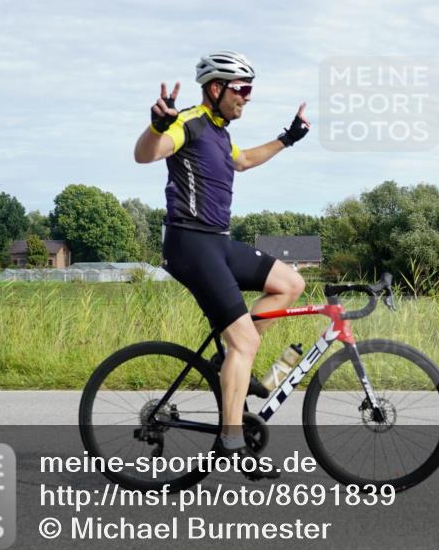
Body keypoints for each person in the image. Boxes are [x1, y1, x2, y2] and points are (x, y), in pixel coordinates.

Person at [133, 51, 310, 480]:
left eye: (250, 90)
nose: (247, 97)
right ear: (216, 88)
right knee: (246, 342)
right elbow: (145, 154)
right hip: (190, 245)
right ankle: (231, 440)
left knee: (290, 284)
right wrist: (156, 125)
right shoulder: (188, 122)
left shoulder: (219, 132)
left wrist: (288, 138)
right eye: (242, 89)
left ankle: (232, 358)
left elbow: (243, 160)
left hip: (218, 241)